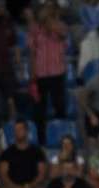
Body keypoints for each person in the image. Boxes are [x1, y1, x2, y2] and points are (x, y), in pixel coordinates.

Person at [27, 3, 68, 144]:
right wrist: (32, 73)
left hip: (57, 73)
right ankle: (42, 141)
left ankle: (63, 139)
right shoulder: (34, 30)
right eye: (44, 11)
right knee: (40, 110)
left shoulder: (60, 26)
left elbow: (63, 35)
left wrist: (51, 24)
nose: (46, 13)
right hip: (40, 75)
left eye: (48, 11)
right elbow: (32, 53)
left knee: (60, 107)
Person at [0, 120, 48, 188]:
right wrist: (13, 187)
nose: (17, 132)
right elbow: (3, 174)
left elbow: (41, 174)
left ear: (27, 131)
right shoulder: (7, 153)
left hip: (33, 185)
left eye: (20, 129)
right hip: (12, 185)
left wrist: (31, 186)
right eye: (16, 130)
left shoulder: (37, 151)